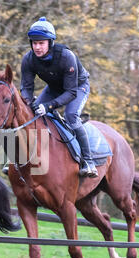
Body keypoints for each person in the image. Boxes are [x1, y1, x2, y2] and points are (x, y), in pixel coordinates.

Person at [20, 17, 98, 178]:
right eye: (34, 43)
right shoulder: (28, 59)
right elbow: (26, 88)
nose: (37, 47)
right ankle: (20, 158)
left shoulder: (66, 56)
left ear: (50, 42)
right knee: (29, 115)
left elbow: (70, 92)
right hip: (54, 88)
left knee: (71, 116)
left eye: (41, 43)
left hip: (77, 86)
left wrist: (48, 106)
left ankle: (89, 162)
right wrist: (28, 102)